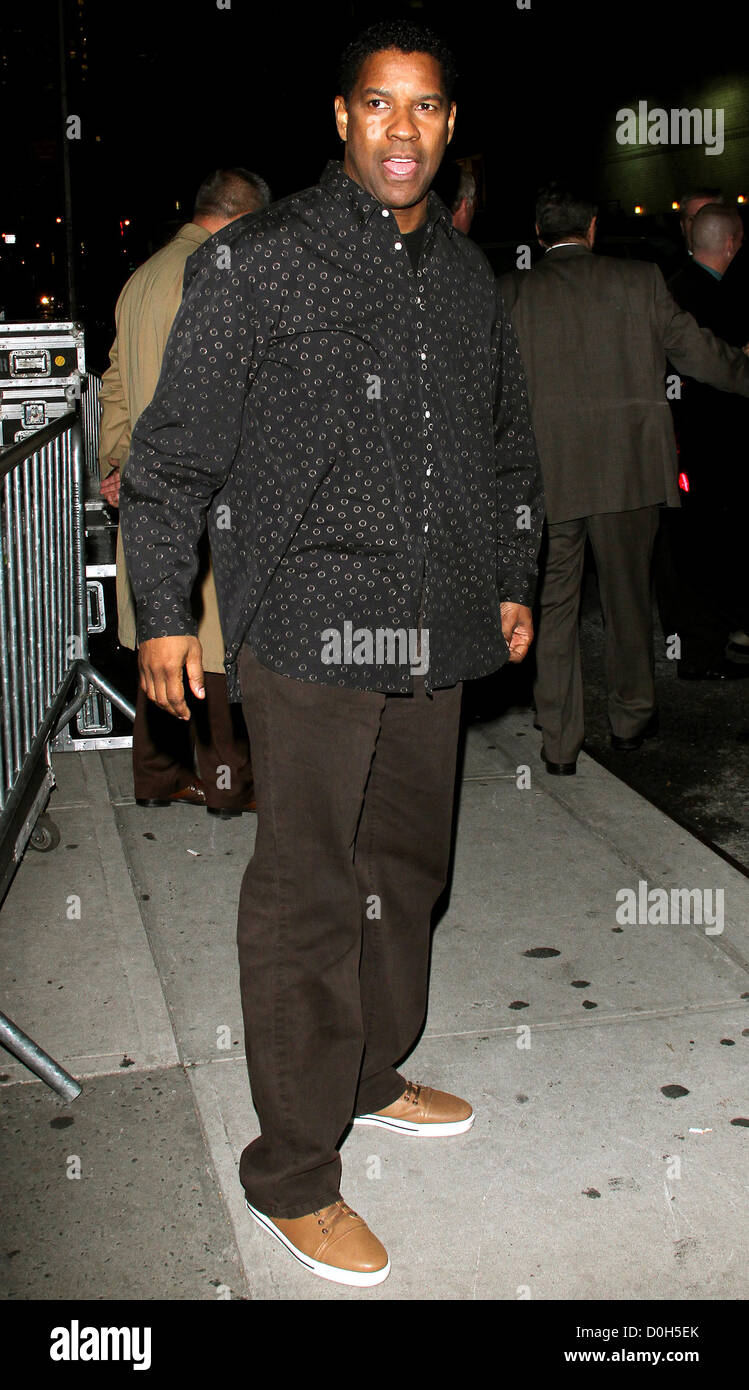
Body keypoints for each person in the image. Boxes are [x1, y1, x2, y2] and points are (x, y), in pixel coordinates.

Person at [120, 20, 543, 1286]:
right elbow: (175, 451)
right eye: (377, 105)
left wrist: (511, 579)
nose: (400, 129)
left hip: (439, 624)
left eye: (423, 107)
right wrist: (156, 610)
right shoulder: (260, 262)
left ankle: (367, 1072)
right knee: (308, 892)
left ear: (448, 127)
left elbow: (504, 440)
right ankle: (291, 1174)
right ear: (342, 119)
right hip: (303, 625)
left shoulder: (465, 279)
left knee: (405, 868)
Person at [499, 184, 749, 775]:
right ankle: (630, 721)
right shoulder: (640, 282)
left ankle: (559, 742)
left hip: (548, 480)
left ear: (539, 236)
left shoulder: (511, 293)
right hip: (627, 475)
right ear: (591, 231)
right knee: (627, 602)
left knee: (552, 607)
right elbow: (698, 354)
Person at [99, 168, 271, 814]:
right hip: (205, 490)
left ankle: (154, 776)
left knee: (158, 630)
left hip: (148, 489)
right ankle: (230, 787)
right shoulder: (221, 276)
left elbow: (115, 382)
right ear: (247, 219)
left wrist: (118, 459)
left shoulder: (140, 277)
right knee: (212, 642)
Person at [662, 203, 749, 676]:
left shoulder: (675, 288)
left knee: (699, 547)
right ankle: (702, 648)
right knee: (703, 548)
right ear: (732, 244)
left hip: (693, 442)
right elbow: (719, 365)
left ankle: (708, 637)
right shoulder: (707, 297)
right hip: (708, 446)